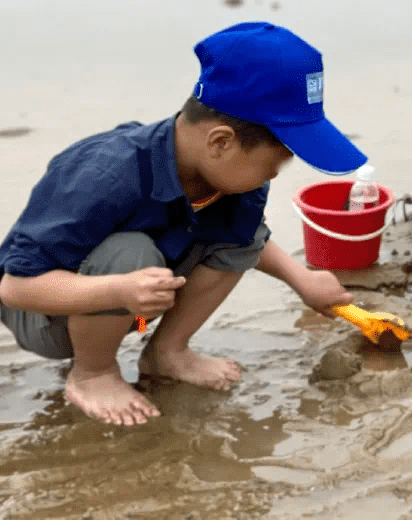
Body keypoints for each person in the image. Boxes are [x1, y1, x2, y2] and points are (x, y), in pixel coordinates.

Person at [0, 22, 365, 427]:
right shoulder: (105, 174)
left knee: (243, 233)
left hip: (138, 291)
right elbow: (15, 288)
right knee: (130, 252)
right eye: (275, 161)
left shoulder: (235, 179)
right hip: (47, 310)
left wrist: (302, 278)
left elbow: (249, 240)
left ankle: (167, 352)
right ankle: (93, 373)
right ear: (221, 142)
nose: (275, 174)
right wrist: (118, 289)